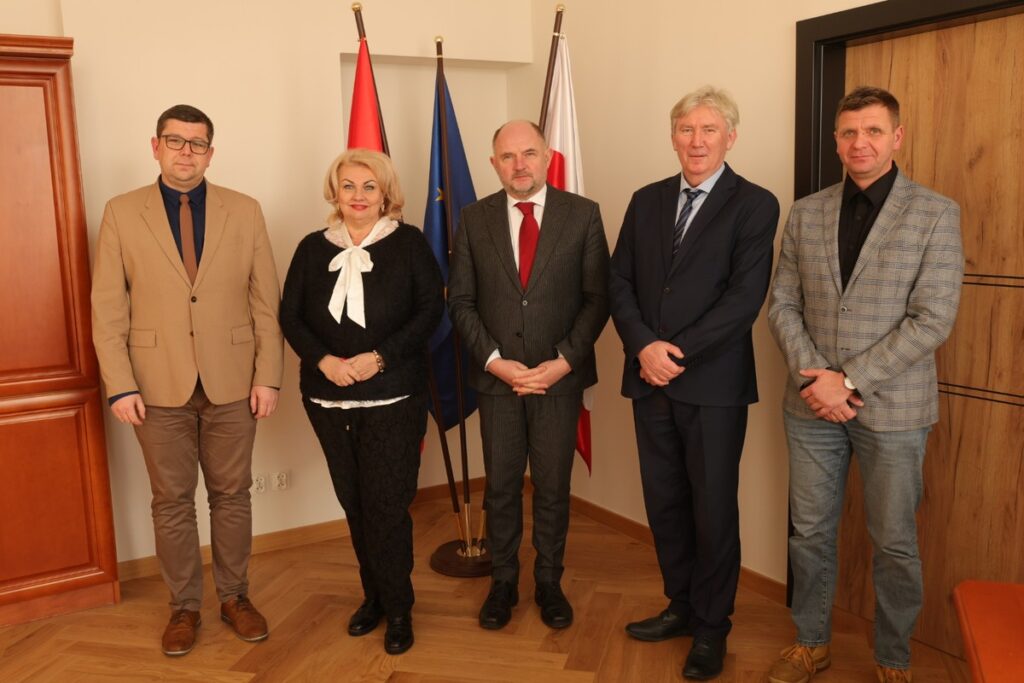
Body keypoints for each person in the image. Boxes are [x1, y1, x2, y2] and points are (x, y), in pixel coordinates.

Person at [766, 86, 963, 683]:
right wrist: (817, 380)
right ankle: (811, 642)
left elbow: (933, 318)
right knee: (810, 533)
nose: (860, 143)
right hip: (810, 407)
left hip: (895, 409)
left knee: (895, 543)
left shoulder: (935, 213)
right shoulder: (806, 211)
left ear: (896, 137)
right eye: (849, 132)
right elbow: (782, 303)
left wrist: (847, 380)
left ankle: (894, 657)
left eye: (874, 131)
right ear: (836, 140)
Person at [91, 104, 283, 656]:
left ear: (210, 153)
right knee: (171, 500)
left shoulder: (244, 211)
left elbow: (264, 301)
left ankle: (235, 598)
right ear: (155, 147)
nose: (185, 152)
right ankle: (184, 606)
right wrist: (120, 385)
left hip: (233, 381)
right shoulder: (121, 212)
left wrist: (267, 375)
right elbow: (107, 310)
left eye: (197, 144)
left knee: (232, 495)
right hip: (154, 385)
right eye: (175, 142)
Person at [609, 86, 779, 680]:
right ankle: (679, 606)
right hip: (648, 380)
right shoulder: (646, 199)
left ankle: (712, 628)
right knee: (666, 504)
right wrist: (642, 347)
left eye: (709, 130)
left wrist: (672, 353)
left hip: (711, 386)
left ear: (730, 137)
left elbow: (743, 301)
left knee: (712, 510)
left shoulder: (755, 205)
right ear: (673, 135)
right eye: (686, 129)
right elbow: (619, 282)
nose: (697, 140)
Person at [279, 149, 443, 655]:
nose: (358, 196)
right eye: (348, 186)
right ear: (335, 192)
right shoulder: (311, 248)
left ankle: (399, 607)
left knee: (387, 506)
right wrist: (323, 361)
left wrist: (379, 358)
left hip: (393, 396)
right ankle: (372, 596)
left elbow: (430, 312)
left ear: (385, 193)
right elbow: (291, 316)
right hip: (327, 398)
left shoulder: (410, 243)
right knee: (354, 503)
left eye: (369, 187)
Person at [447, 120, 609, 632]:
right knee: (499, 488)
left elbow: (596, 299)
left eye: (529, 154)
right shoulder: (473, 220)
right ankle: (502, 584)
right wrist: (495, 360)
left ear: (546, 157)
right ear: (494, 163)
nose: (519, 164)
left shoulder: (583, 216)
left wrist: (563, 361)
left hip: (558, 380)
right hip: (497, 382)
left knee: (553, 487)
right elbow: (462, 301)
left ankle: (549, 582)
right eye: (508, 156)